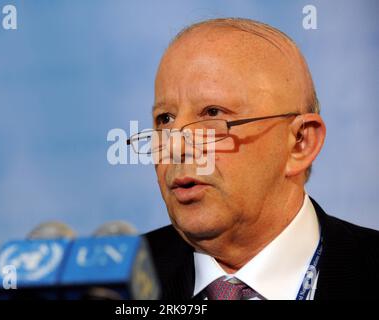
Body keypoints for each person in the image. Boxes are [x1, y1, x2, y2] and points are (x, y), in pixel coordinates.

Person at [133, 18, 379, 299]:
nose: (174, 145)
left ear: (300, 143)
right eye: (164, 119)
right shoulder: (111, 284)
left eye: (213, 113)